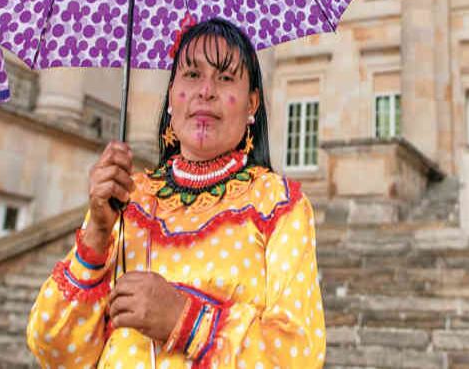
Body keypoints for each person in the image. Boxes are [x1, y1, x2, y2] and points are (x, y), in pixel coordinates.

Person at [26, 18, 325, 368]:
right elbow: (53, 347)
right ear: (171, 97)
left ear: (252, 104)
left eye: (226, 78)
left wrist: (183, 319)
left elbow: (299, 354)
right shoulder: (129, 197)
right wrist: (96, 235)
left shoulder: (278, 203)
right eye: (192, 75)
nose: (206, 91)